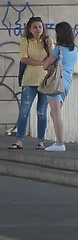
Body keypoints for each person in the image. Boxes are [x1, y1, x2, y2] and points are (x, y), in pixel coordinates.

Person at [10, 16, 54, 150]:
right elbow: (24, 59)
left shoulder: (48, 41)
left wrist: (50, 46)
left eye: (40, 27)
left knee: (42, 111)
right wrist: (41, 63)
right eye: (35, 27)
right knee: (24, 110)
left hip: (45, 80)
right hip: (29, 80)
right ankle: (19, 140)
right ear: (30, 29)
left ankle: (41, 141)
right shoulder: (25, 41)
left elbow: (53, 59)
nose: (38, 29)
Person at [44, 21, 77, 152]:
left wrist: (50, 48)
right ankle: (58, 141)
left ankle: (59, 143)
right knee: (54, 113)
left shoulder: (59, 49)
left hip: (57, 83)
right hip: (67, 82)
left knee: (56, 113)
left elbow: (45, 65)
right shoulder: (75, 49)